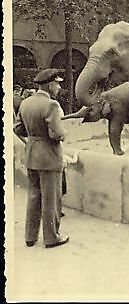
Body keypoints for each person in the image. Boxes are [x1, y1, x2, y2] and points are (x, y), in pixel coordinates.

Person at [14, 68, 69, 248]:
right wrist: (64, 132)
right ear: (50, 84)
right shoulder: (51, 105)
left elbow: (17, 129)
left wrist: (32, 139)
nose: (59, 87)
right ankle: (52, 238)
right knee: (51, 199)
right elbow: (56, 135)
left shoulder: (25, 103)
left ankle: (30, 237)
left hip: (31, 155)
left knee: (33, 197)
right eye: (58, 84)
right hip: (49, 157)